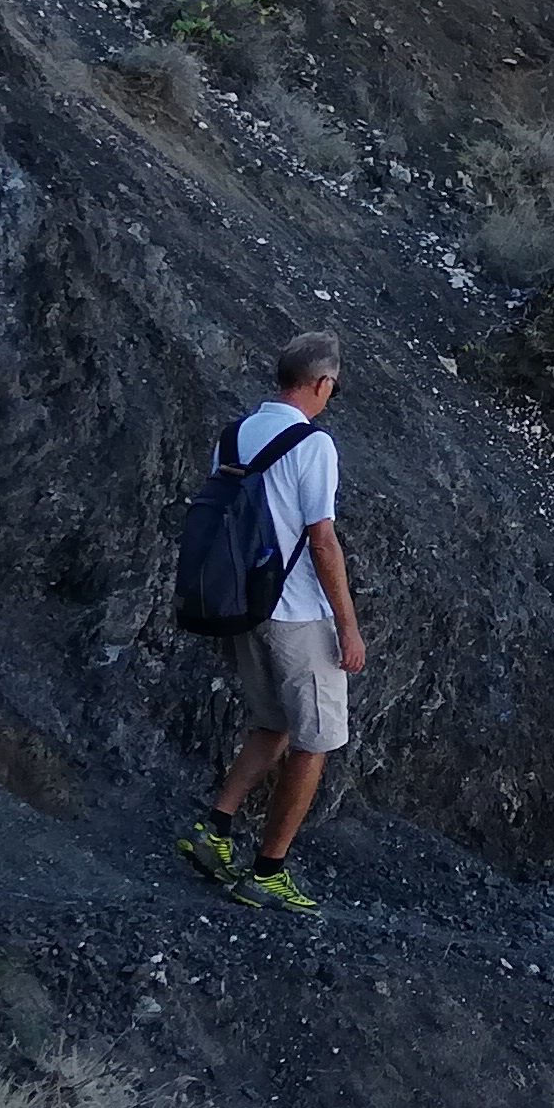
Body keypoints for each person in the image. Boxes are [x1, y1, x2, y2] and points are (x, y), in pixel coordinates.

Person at [175, 332, 364, 913]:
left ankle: (214, 831)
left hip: (243, 609)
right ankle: (267, 872)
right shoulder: (314, 444)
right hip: (298, 615)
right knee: (315, 742)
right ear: (322, 383)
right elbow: (322, 540)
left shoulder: (236, 434)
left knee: (272, 724)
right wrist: (348, 626)